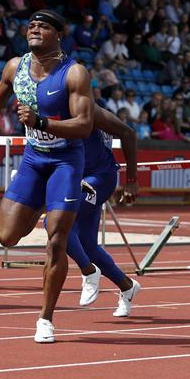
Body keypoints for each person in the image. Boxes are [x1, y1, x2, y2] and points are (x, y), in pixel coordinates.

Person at [0, 10, 93, 343]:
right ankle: (44, 206)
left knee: (57, 240)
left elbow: (85, 125)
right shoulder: (14, 66)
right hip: (34, 159)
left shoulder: (74, 73)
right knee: (6, 236)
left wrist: (42, 122)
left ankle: (45, 319)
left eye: (43, 26)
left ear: (58, 34)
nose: (34, 29)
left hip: (66, 161)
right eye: (31, 25)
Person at [68, 106, 142, 316]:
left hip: (99, 178)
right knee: (88, 246)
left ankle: (89, 272)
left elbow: (128, 132)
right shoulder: (49, 109)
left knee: (55, 224)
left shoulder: (90, 109)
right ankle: (127, 286)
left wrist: (131, 180)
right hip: (73, 177)